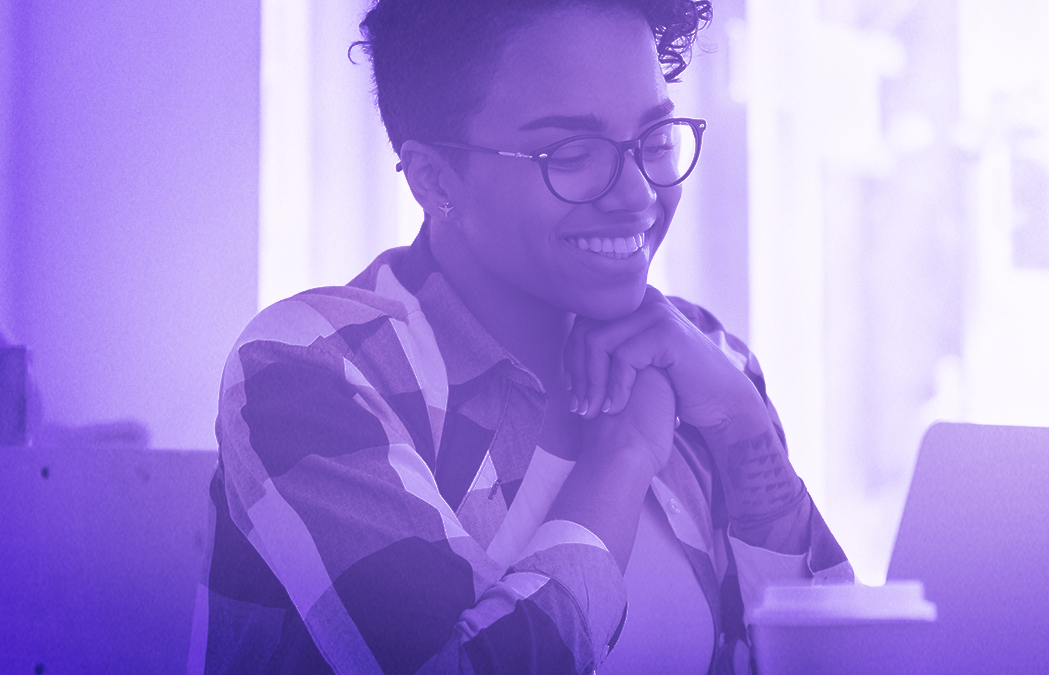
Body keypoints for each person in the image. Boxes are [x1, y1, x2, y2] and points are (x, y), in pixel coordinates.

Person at [189, 1, 852, 673]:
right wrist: (620, 456)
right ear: (436, 180)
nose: (638, 195)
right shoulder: (316, 368)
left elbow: (838, 659)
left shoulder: (701, 357)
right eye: (572, 153)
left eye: (653, 141)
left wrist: (742, 420)